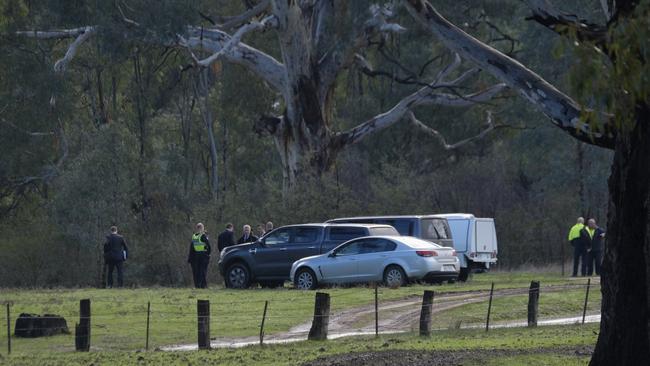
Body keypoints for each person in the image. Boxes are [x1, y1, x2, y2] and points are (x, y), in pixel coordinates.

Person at [187, 223, 211, 288]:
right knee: (202, 271)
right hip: (203, 255)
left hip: (196, 256)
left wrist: (189, 257)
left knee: (197, 272)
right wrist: (208, 254)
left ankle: (198, 285)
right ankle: (203, 285)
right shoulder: (203, 236)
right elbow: (208, 246)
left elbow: (191, 247)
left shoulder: (194, 236)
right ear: (201, 228)